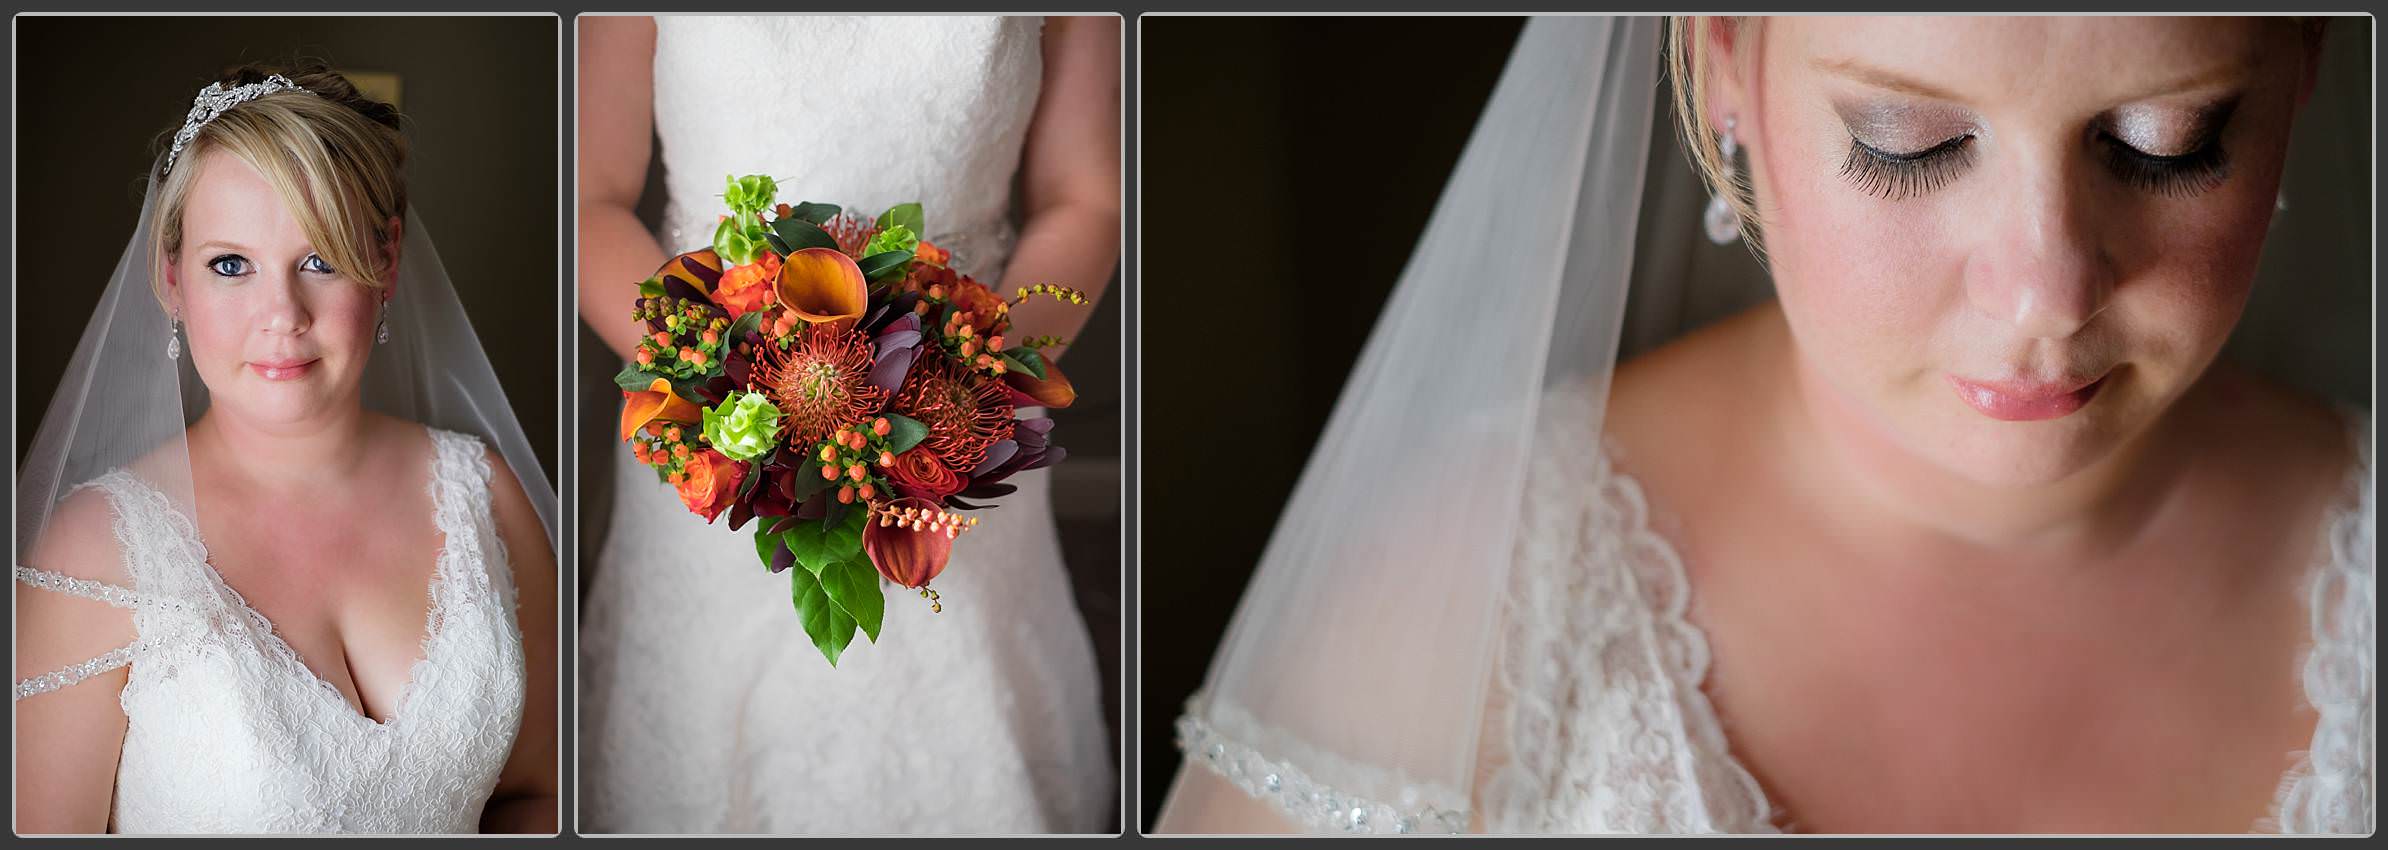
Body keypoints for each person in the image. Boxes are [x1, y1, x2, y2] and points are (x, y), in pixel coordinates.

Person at [1158, 16, 2370, 835]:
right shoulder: (1461, 588)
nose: (2045, 291)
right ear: (1726, 63)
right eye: (1911, 141)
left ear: (2303, 64)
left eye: (2169, 141)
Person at [576, 15, 1119, 833]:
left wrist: (963, 381)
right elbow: (588, 200)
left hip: (959, 409)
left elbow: (1088, 196)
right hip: (721, 422)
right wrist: (726, 384)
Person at [13, 64, 559, 834]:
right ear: (171, 279)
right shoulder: (91, 556)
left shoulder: (484, 495)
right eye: (229, 265)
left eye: (320, 259)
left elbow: (538, 795)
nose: (282, 314)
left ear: (388, 260)